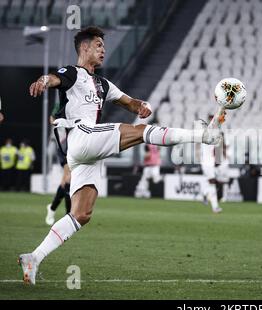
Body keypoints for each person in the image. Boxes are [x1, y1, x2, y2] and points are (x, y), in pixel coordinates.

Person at [18, 26, 225, 285]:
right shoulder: (73, 73)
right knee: (140, 132)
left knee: (82, 214)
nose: (103, 50)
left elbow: (129, 102)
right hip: (82, 135)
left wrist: (141, 105)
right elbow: (53, 79)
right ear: (84, 48)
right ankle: (201, 136)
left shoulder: (104, 84)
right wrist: (43, 81)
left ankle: (33, 258)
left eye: (103, 46)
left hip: (86, 155)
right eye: (98, 45)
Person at [45, 118, 71, 226]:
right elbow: (52, 119)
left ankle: (52, 208)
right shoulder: (62, 104)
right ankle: (68, 215)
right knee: (68, 179)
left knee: (65, 181)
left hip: (78, 142)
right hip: (65, 146)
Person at [201, 114, 226, 213]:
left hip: (209, 162)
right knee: (212, 183)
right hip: (207, 163)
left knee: (211, 183)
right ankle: (215, 207)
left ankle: (205, 193)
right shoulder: (208, 132)